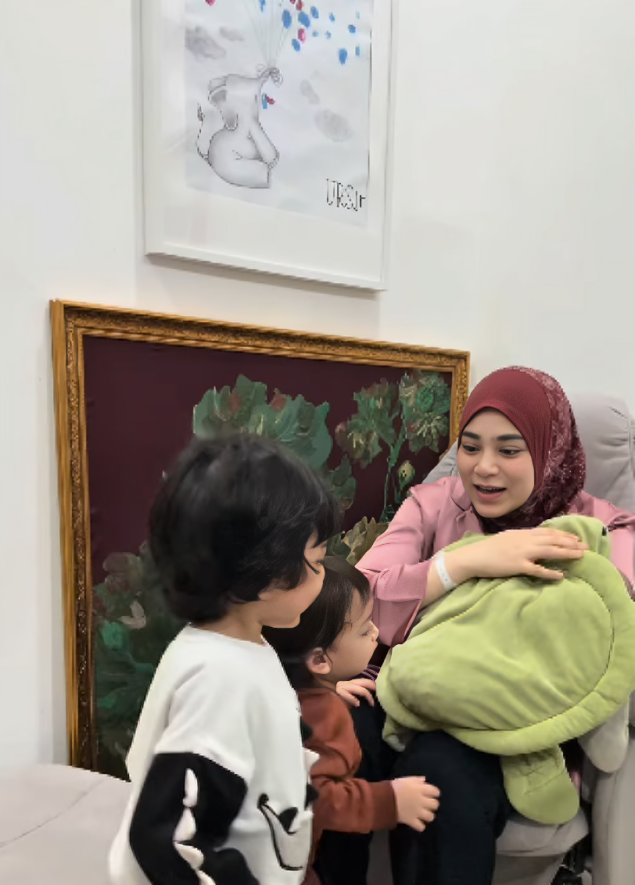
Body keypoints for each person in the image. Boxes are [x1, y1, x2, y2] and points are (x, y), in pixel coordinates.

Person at [356, 366, 635, 885]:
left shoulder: (606, 528)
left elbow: (613, 627)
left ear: (549, 450)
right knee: (337, 731)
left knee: (437, 774)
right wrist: (466, 562)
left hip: (512, 723)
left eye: (509, 450)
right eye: (470, 447)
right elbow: (357, 600)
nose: (483, 468)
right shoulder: (434, 503)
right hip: (406, 690)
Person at [109, 434, 341, 885]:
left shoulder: (234, 645)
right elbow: (164, 838)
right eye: (316, 562)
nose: (323, 576)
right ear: (264, 573)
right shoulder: (219, 680)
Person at [264, 557, 440, 885]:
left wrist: (326, 686)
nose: (375, 632)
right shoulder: (321, 719)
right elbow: (317, 796)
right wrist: (389, 801)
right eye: (363, 630)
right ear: (319, 659)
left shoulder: (272, 687)